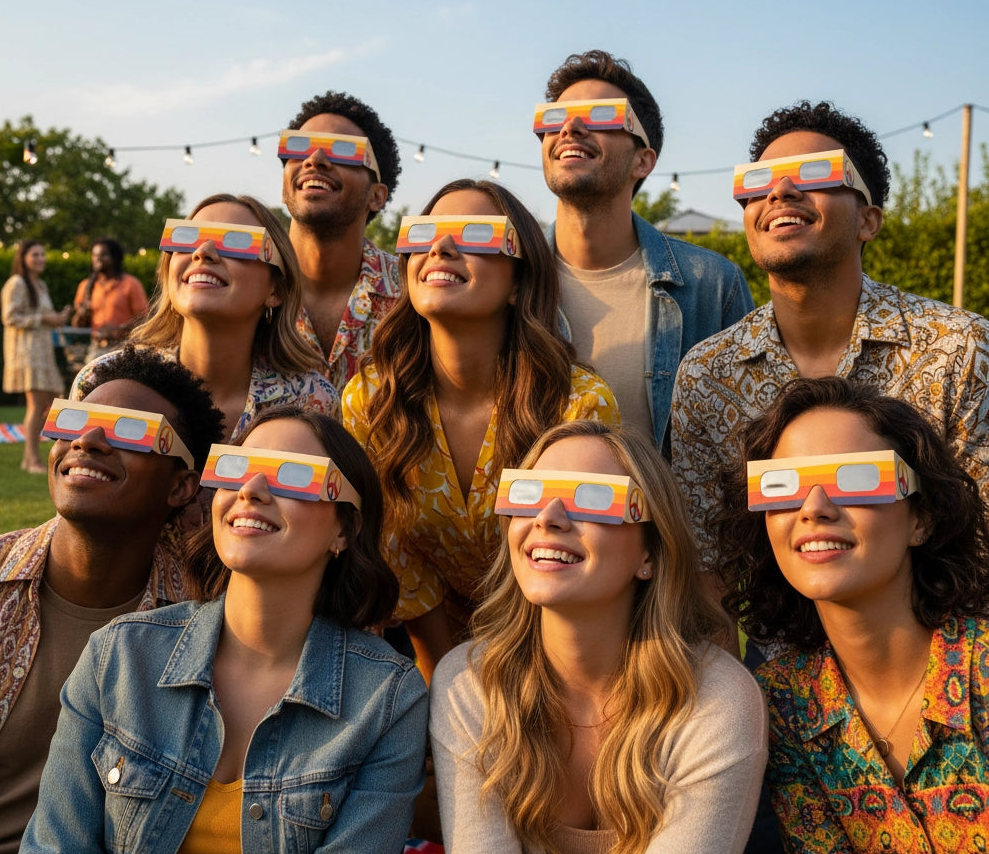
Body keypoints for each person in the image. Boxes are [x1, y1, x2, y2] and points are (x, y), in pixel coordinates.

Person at [16, 408, 429, 854]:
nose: (251, 490)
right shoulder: (118, 656)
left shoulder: (387, 700)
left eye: (293, 474)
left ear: (343, 529)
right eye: (236, 467)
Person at [430, 420, 768, 854]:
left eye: (591, 498)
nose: (546, 516)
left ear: (649, 553)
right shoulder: (467, 685)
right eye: (527, 494)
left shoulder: (716, 701)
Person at [670, 100, 989, 569]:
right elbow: (705, 570)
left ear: (868, 221)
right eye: (758, 183)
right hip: (774, 642)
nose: (780, 191)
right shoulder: (704, 375)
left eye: (817, 173)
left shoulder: (960, 349)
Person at [714, 377, 989, 854]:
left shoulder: (983, 669)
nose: (813, 507)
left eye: (858, 479)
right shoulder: (782, 703)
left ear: (921, 520)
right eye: (784, 485)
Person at [0, 346, 222, 854]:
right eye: (74, 421)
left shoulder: (208, 622)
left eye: (130, 432)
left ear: (181, 486)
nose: (88, 441)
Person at [343, 179, 621, 681]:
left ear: (518, 282)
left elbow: (586, 561)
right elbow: (399, 562)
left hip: (566, 648)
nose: (441, 248)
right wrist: (446, 684)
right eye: (423, 235)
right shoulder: (370, 401)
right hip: (429, 653)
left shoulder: (578, 402)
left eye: (476, 236)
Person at [536, 50, 752, 449]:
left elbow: (742, 446)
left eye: (602, 116)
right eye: (554, 118)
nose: (570, 128)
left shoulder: (714, 287)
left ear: (643, 160)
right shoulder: (510, 280)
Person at [74, 194, 338, 440]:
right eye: (187, 238)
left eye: (237, 241)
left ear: (276, 290)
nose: (203, 251)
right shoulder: (101, 382)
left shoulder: (312, 400)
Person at [281, 90, 403, 392]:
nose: (315, 159)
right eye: (299, 147)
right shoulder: (243, 283)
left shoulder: (413, 300)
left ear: (377, 195)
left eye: (344, 150)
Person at [0, 239, 70, 473]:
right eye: (35, 254)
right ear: (23, 258)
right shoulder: (16, 283)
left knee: (50, 403)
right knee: (36, 405)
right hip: (27, 353)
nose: (41, 259)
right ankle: (32, 461)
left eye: (43, 254)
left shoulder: (40, 285)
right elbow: (9, 317)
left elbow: (46, 317)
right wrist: (43, 319)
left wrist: (59, 317)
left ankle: (30, 457)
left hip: (44, 351)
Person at [71, 237, 149, 362]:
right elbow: (77, 325)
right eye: (95, 255)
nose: (98, 259)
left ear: (115, 258)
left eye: (103, 255)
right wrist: (81, 314)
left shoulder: (131, 284)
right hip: (96, 348)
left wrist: (117, 329)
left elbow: (143, 318)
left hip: (123, 347)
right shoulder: (85, 286)